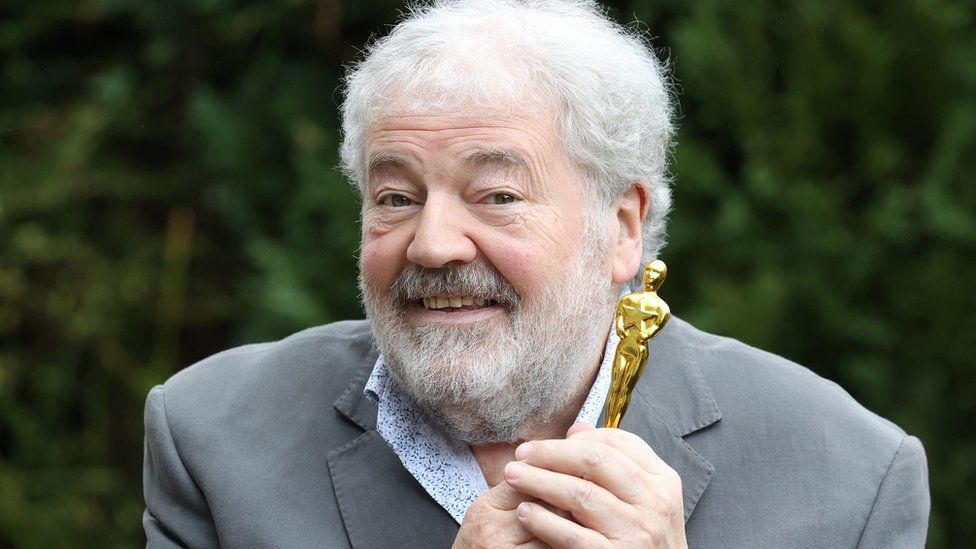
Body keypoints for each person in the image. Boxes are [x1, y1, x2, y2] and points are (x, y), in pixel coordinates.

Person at [142, 1, 930, 547]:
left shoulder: (848, 475)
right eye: (395, 196)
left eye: (497, 194)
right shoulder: (213, 438)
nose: (432, 244)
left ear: (621, 227)